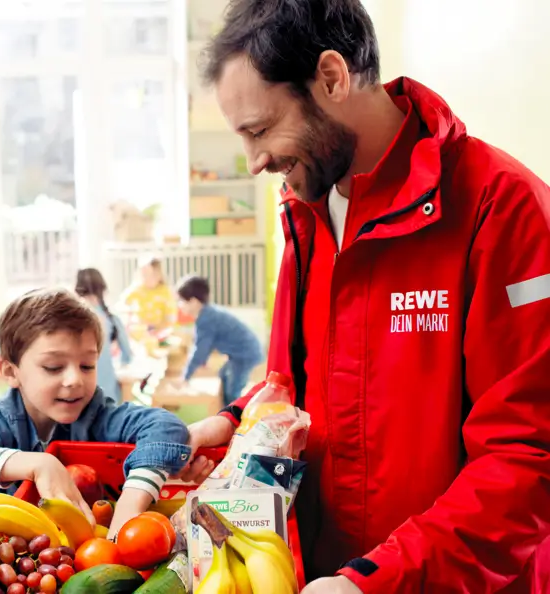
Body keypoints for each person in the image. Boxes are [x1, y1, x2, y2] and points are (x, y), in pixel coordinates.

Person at [179, 1, 550, 592]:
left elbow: (528, 460)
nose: (255, 163)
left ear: (331, 77)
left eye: (259, 130)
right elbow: (316, 378)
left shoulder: (502, 208)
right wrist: (235, 419)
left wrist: (374, 580)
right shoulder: (306, 208)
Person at [0, 288, 191, 536]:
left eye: (87, 365)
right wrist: (37, 464)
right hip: (12, 558)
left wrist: (133, 500)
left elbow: (165, 426)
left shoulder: (98, 414)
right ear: (11, 372)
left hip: (90, 550)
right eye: (54, 367)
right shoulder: (2, 419)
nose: (74, 379)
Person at [176, 275, 264, 405]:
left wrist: (185, 376)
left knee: (233, 389)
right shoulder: (208, 313)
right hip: (242, 350)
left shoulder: (206, 319)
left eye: (182, 301)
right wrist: (203, 360)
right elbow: (208, 343)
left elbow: (199, 351)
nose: (180, 305)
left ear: (194, 302)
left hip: (244, 354)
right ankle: (225, 407)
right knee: (223, 375)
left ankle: (234, 416)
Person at [75, 268, 133, 404]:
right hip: (108, 395)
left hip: (78, 395)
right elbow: (127, 356)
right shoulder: (111, 319)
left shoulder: (70, 320)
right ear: (103, 288)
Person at [119, 255, 177, 333]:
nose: (147, 279)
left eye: (151, 275)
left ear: (159, 275)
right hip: (142, 328)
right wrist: (129, 315)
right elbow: (123, 303)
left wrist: (164, 327)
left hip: (161, 329)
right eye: (144, 275)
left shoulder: (166, 291)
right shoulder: (137, 288)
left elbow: (171, 315)